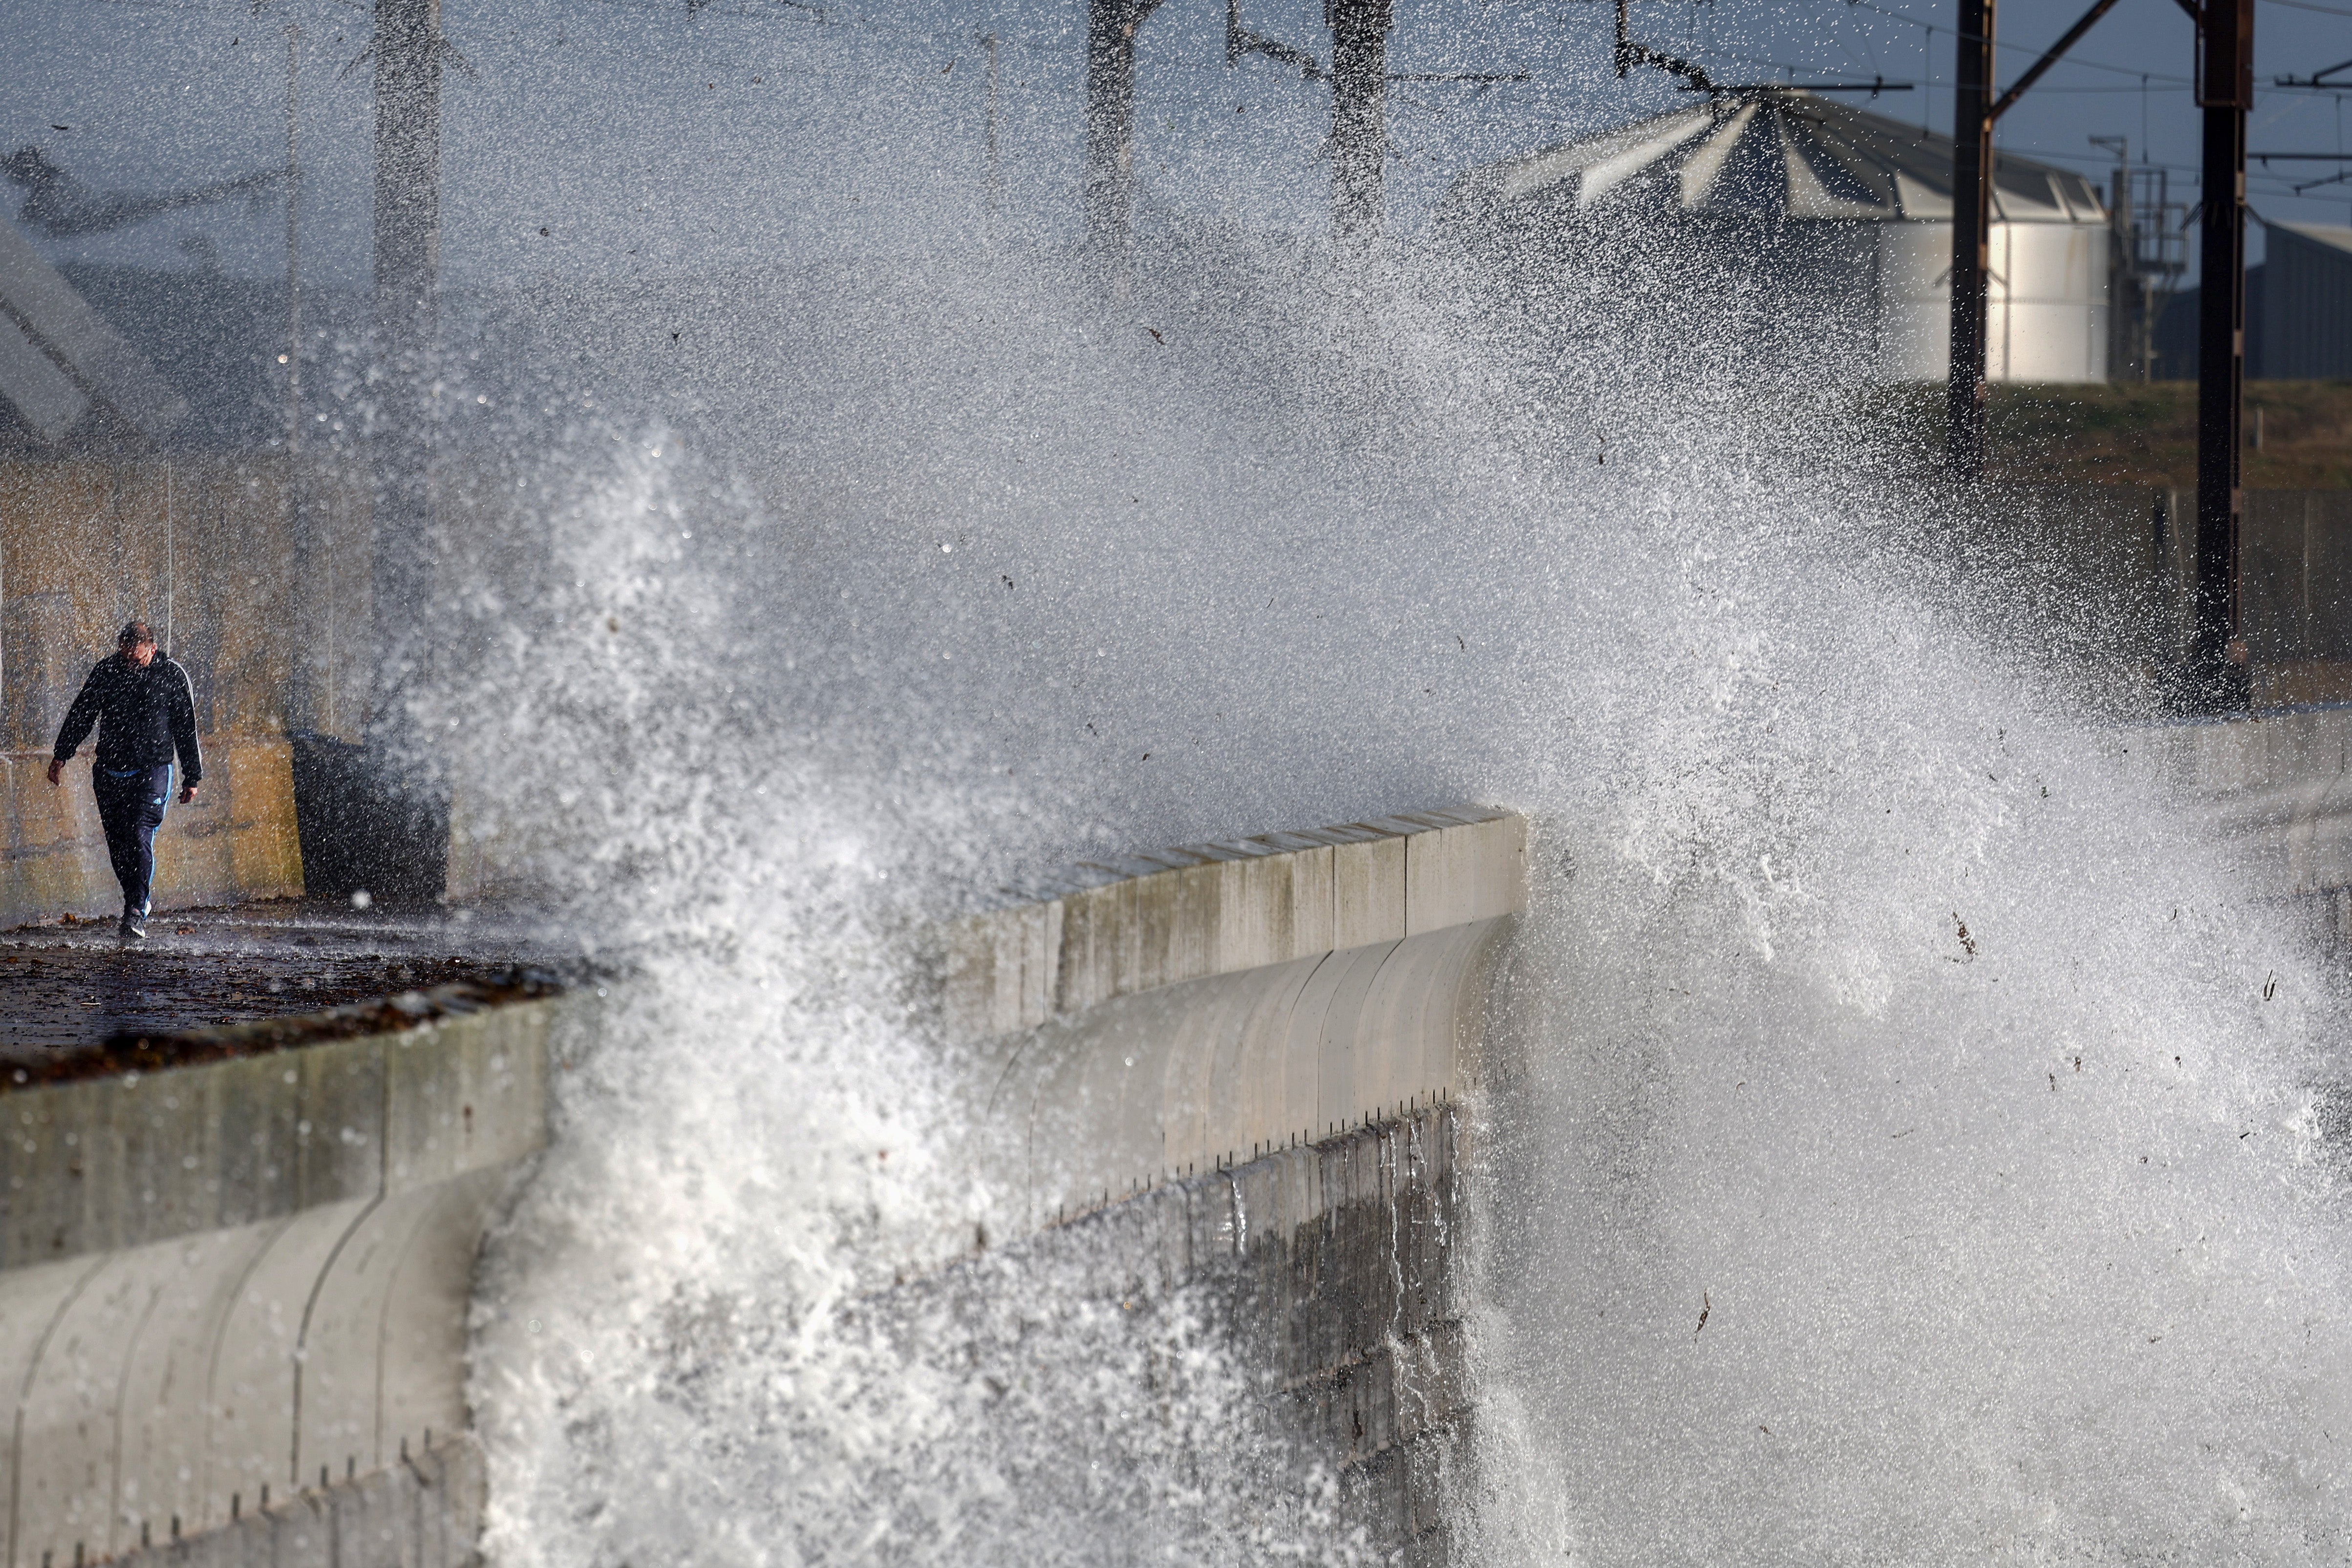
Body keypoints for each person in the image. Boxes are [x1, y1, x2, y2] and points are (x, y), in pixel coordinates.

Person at [47, 621, 201, 939]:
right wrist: (62, 754)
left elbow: (187, 728)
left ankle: (135, 910)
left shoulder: (170, 674)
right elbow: (82, 713)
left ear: (152, 649)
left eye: (137, 658)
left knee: (139, 834)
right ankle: (136, 900)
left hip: (153, 771)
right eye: (125, 657)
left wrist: (192, 776)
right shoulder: (107, 672)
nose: (130, 664)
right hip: (110, 772)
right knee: (119, 846)